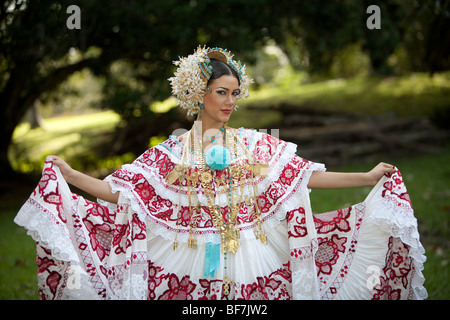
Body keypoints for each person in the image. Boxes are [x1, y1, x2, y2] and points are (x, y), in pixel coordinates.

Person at [15, 46, 427, 300]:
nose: (231, 102)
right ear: (199, 95)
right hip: (190, 260)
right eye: (221, 93)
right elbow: (118, 191)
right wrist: (69, 174)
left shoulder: (251, 142)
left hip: (250, 255)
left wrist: (368, 176)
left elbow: (305, 177)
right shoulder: (172, 151)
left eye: (235, 93)